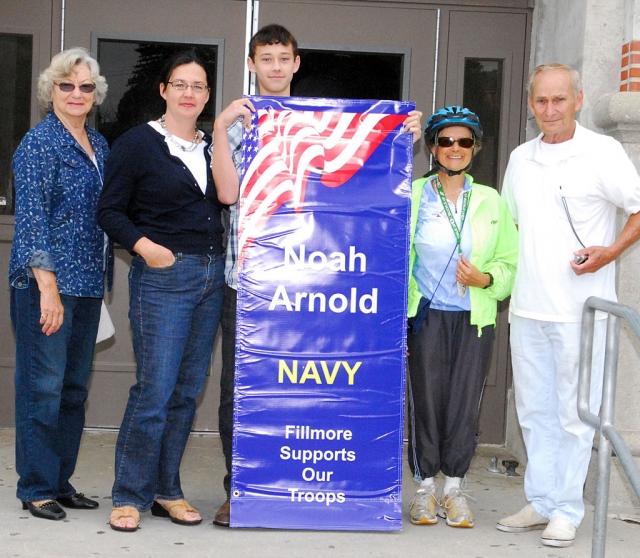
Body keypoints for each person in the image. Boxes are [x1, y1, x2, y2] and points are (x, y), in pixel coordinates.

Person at [210, 23, 423, 527]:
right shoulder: (239, 122)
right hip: (250, 283)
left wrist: (404, 131)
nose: (276, 67)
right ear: (252, 63)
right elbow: (226, 193)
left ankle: (333, 489)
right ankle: (239, 490)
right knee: (242, 389)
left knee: (321, 381)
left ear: (297, 63)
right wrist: (220, 129)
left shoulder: (323, 121)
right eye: (266, 58)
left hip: (320, 286)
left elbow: (367, 167)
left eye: (284, 57)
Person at [497, 63, 640, 547]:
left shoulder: (604, 152)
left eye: (560, 99)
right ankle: (540, 500)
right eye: (541, 101)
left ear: (578, 100)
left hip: (583, 310)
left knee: (575, 415)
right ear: (531, 104)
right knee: (534, 411)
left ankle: (566, 510)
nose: (550, 110)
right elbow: (512, 228)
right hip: (528, 308)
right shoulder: (520, 157)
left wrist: (611, 250)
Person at [98, 50, 235, 532]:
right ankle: (130, 493)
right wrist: (144, 247)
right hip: (163, 277)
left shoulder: (212, 147)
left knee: (185, 393)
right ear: (163, 90)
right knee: (154, 390)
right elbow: (110, 210)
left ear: (207, 95)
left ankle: (166, 491)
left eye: (198, 86)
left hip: (211, 277)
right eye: (180, 84)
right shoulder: (137, 144)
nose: (189, 93)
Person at [9, 47, 109, 521]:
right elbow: (31, 223)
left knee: (71, 389)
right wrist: (47, 289)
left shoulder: (100, 146)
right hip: (45, 286)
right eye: (66, 85)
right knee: (42, 388)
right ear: (51, 91)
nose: (76, 93)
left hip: (88, 285)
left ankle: (59, 480)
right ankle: (35, 486)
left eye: (85, 86)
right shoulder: (39, 144)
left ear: (95, 95)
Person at [406, 106, 518, 529]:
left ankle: (453, 489)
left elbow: (510, 260)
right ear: (433, 147)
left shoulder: (490, 200)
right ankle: (423, 491)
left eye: (465, 141)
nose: (456, 148)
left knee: (463, 404)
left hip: (474, 316)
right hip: (427, 315)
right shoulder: (414, 194)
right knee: (426, 402)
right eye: (447, 141)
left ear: (476, 148)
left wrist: (485, 277)